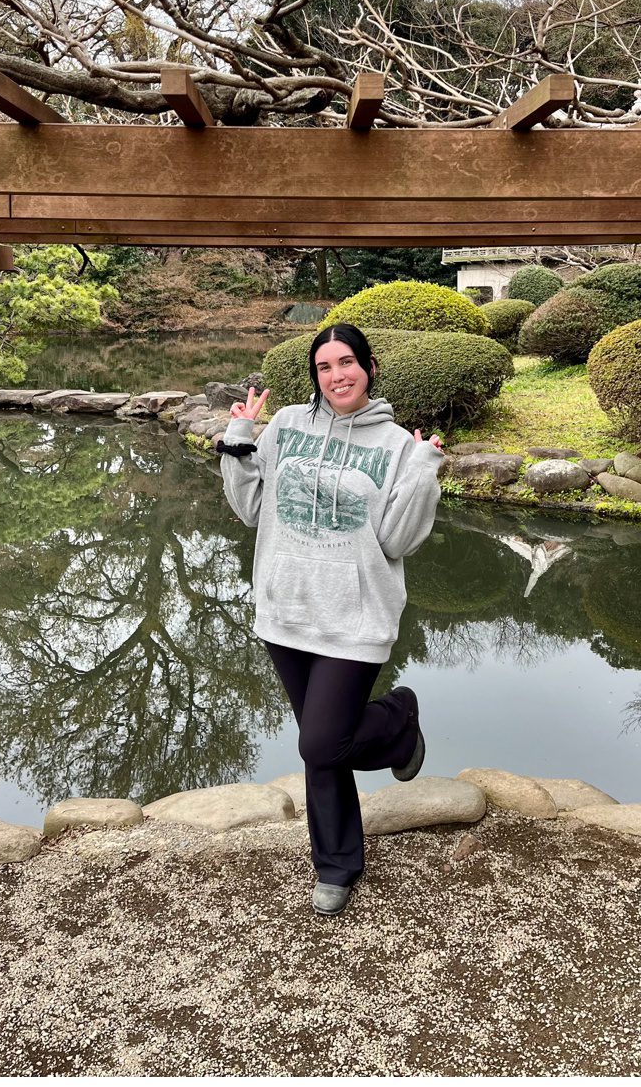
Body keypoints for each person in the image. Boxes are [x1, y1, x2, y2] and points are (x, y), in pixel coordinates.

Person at [218, 322, 445, 916]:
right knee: (322, 749)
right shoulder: (288, 425)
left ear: (368, 367)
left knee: (320, 742)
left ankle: (398, 720)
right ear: (314, 375)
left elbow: (398, 540)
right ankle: (338, 863)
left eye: (347, 362)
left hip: (356, 615)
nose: (337, 375)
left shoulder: (397, 444)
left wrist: (422, 470)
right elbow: (249, 510)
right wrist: (241, 437)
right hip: (286, 609)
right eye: (324, 366)